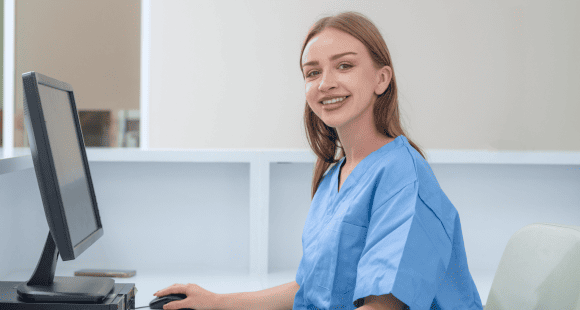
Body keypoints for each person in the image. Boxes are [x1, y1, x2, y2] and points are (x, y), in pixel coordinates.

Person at [154, 11, 483, 310]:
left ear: (381, 79)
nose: (325, 83)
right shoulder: (333, 177)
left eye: (345, 65)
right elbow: (310, 290)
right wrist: (217, 302)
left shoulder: (402, 175)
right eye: (312, 72)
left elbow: (384, 307)